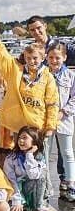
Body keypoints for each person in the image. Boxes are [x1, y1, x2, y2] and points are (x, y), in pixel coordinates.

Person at [0, 24, 59, 195]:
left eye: (35, 58)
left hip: (39, 128)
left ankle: (41, 196)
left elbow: (52, 103)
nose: (32, 61)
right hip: (20, 128)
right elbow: (4, 59)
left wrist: (50, 127)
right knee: (20, 162)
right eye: (28, 58)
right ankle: (21, 195)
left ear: (42, 57)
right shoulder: (17, 72)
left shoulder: (48, 77)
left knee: (39, 163)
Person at [45, 43, 75, 201]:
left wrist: (64, 112)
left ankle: (71, 185)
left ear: (64, 58)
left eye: (57, 57)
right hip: (46, 121)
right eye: (51, 57)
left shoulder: (70, 76)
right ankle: (45, 186)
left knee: (67, 153)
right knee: (45, 153)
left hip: (64, 119)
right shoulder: (43, 74)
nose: (54, 60)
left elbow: (74, 97)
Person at [4, 126, 54, 211]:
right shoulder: (11, 157)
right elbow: (11, 180)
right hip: (16, 192)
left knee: (41, 176)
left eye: (24, 137)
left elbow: (34, 175)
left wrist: (29, 155)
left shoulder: (39, 157)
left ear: (34, 141)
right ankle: (24, 207)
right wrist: (17, 201)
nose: (21, 141)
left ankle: (37, 207)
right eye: (19, 137)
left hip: (32, 192)